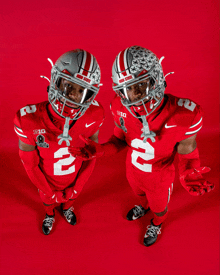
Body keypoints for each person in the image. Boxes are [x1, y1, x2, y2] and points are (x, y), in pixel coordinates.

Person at [69, 46, 214, 246]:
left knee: (160, 208)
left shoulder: (184, 114)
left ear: (157, 79)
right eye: (127, 88)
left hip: (160, 178)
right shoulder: (119, 106)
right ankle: (143, 206)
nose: (135, 95)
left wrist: (189, 171)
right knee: (140, 196)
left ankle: (157, 222)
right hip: (133, 171)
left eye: (141, 85)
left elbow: (187, 150)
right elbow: (119, 141)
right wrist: (100, 150)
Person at [14, 49, 104, 235]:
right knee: (48, 203)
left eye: (82, 90)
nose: (73, 95)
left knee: (70, 200)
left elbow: (91, 154)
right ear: (55, 80)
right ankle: (49, 213)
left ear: (90, 95)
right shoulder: (28, 120)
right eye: (68, 85)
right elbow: (30, 164)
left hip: (74, 178)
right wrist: (48, 191)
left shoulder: (95, 114)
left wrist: (78, 187)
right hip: (46, 181)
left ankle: (67, 208)